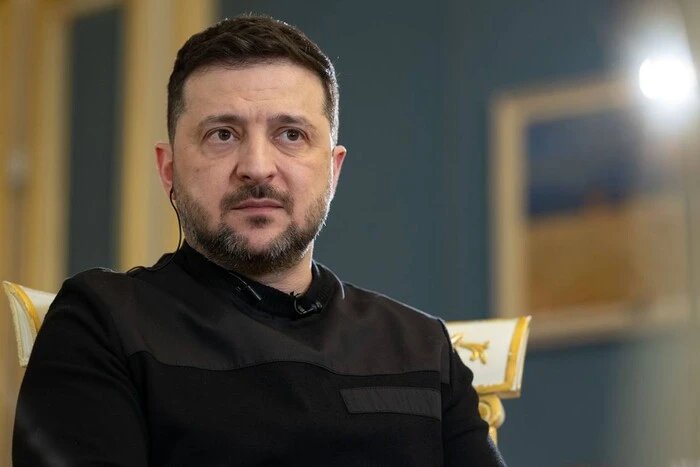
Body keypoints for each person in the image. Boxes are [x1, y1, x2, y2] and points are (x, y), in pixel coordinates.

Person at [13, 15, 506, 466]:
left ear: (333, 171)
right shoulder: (103, 323)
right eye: (222, 134)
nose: (256, 166)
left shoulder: (420, 347)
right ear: (169, 170)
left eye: (290, 134)